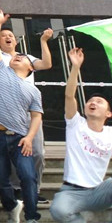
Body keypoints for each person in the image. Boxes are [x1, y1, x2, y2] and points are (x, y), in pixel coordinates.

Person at [0, 7, 42, 223]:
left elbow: (36, 116)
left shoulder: (33, 90)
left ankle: (32, 217)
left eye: (22, 57)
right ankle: (11, 206)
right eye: (16, 56)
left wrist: (29, 137)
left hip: (19, 138)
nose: (17, 57)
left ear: (30, 68)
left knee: (28, 176)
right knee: (0, 178)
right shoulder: (0, 68)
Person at [50, 47, 112, 223]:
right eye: (90, 101)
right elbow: (69, 96)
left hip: (99, 191)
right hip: (71, 192)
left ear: (108, 114)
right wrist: (75, 67)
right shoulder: (75, 124)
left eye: (99, 102)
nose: (93, 103)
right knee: (58, 210)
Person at [0, 24, 53, 193]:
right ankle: (16, 188)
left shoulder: (26, 57)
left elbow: (46, 64)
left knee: (37, 152)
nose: (8, 37)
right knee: (15, 152)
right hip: (10, 112)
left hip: (30, 111)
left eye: (10, 35)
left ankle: (34, 190)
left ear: (16, 41)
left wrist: (43, 41)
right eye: (3, 35)